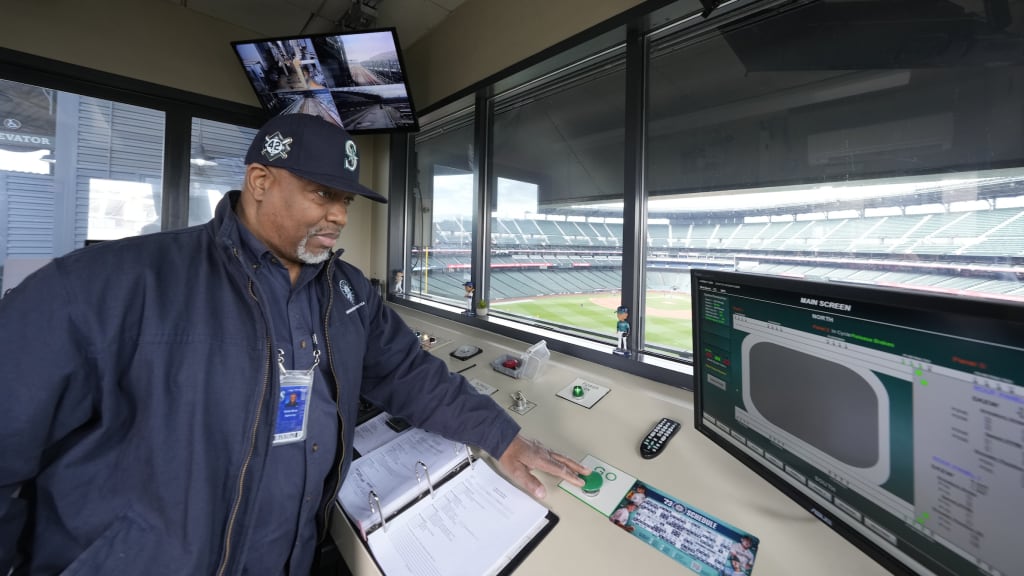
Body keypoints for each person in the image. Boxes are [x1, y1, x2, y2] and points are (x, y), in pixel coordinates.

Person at [0, 113, 589, 575]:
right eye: (320, 194)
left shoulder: (349, 291)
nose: (338, 216)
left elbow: (410, 373)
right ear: (259, 182)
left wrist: (499, 436)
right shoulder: (104, 284)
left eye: (346, 202)